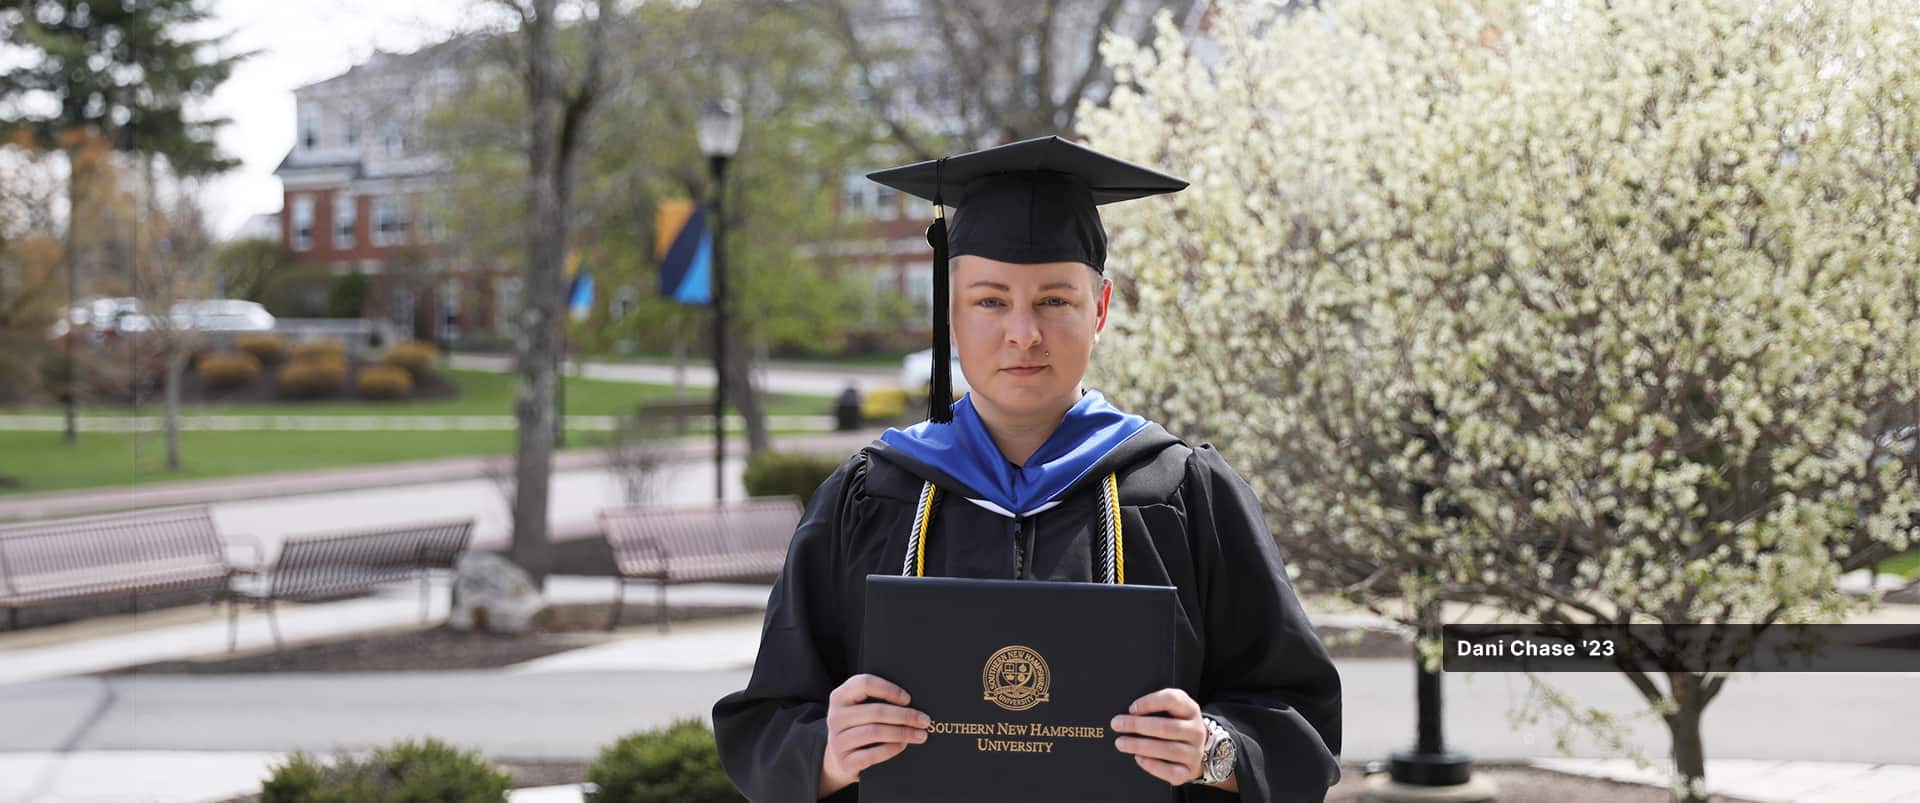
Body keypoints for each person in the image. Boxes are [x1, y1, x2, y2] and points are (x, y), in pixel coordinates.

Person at [712, 136, 1341, 802]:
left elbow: (1301, 722)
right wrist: (828, 753)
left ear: (1099, 310)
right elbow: (766, 725)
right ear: (951, 313)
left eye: (1054, 301)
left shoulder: (1185, 495)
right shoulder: (868, 495)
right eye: (989, 301)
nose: (1023, 333)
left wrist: (1214, 751)